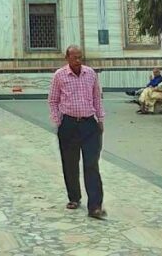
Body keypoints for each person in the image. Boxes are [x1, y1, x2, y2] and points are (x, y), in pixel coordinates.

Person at [47, 45, 106, 219]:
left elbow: (97, 97)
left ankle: (95, 206)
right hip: (69, 125)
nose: (78, 61)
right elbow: (53, 100)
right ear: (67, 58)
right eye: (75, 58)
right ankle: (74, 197)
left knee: (91, 164)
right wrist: (59, 121)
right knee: (70, 163)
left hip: (89, 124)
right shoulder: (59, 76)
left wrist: (100, 119)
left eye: (80, 57)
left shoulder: (91, 74)